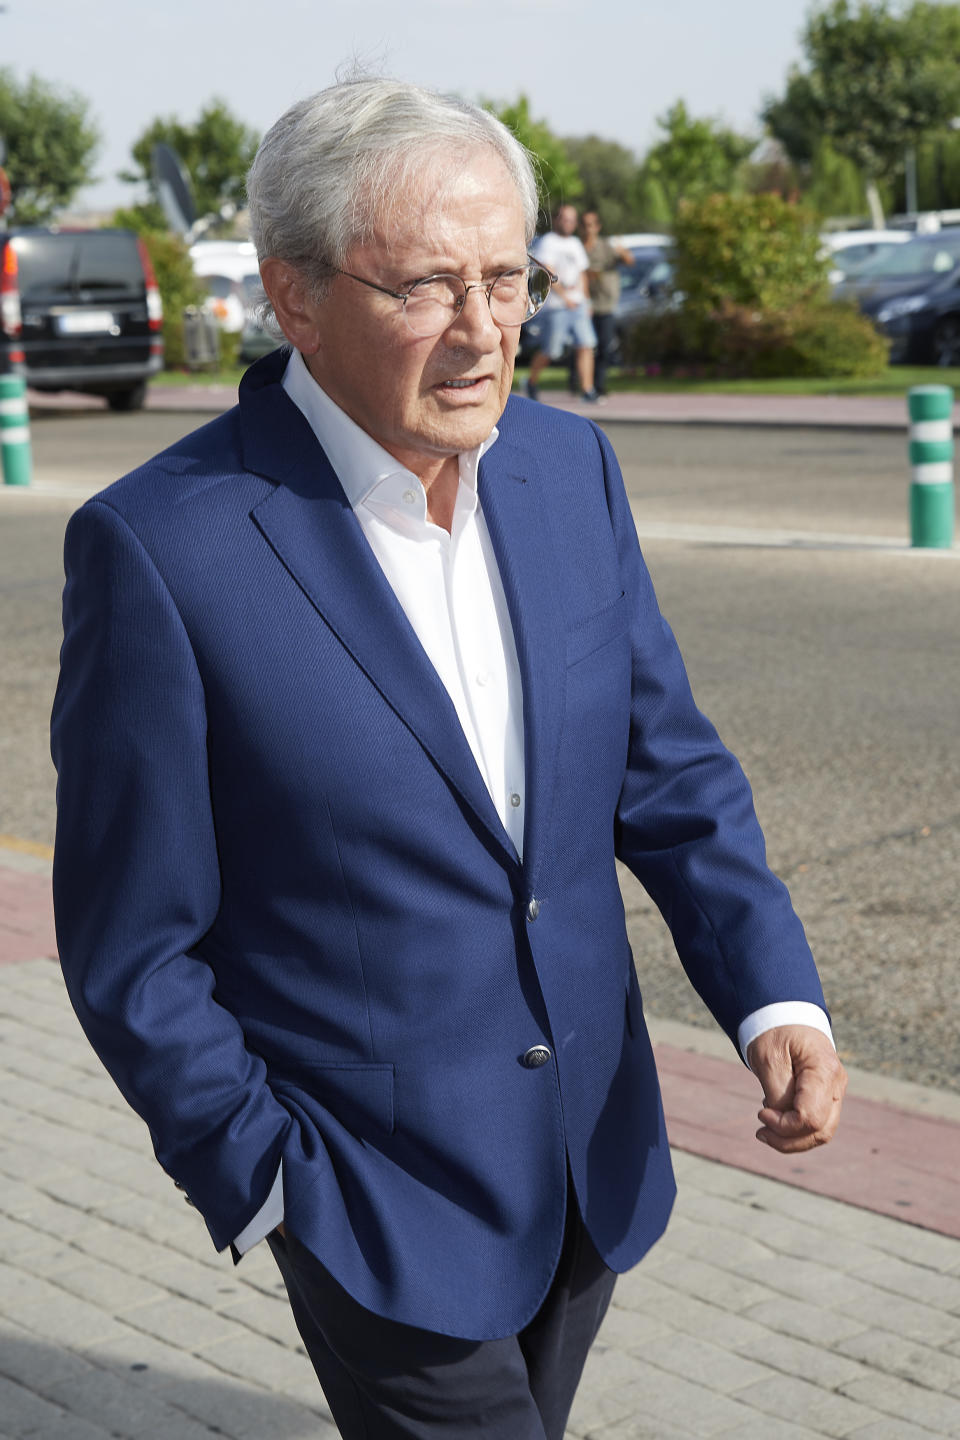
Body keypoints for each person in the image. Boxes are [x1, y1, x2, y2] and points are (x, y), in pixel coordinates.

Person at [51, 77, 846, 1440]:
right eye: (426, 286)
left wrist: (777, 1003)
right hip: (367, 1202)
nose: (484, 335)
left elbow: (669, 778)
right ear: (296, 299)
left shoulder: (567, 471)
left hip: (590, 1168)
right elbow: (130, 939)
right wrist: (258, 1173)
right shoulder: (164, 549)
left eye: (507, 280)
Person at [525, 203, 598, 403]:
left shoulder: (575, 243)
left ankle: (587, 390)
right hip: (557, 307)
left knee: (586, 344)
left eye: (572, 220)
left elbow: (582, 273)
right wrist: (565, 297)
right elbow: (547, 272)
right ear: (557, 220)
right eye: (565, 219)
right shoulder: (548, 242)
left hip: (578, 305)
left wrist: (586, 300)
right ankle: (530, 381)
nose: (569, 223)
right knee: (551, 351)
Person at [573, 210, 635, 397]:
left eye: (592, 224)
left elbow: (629, 261)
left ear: (598, 227)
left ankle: (598, 385)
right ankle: (582, 385)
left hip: (605, 304)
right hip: (584, 304)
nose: (588, 229)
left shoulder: (605, 246)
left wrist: (622, 250)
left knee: (604, 346)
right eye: (584, 224)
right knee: (583, 346)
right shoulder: (577, 247)